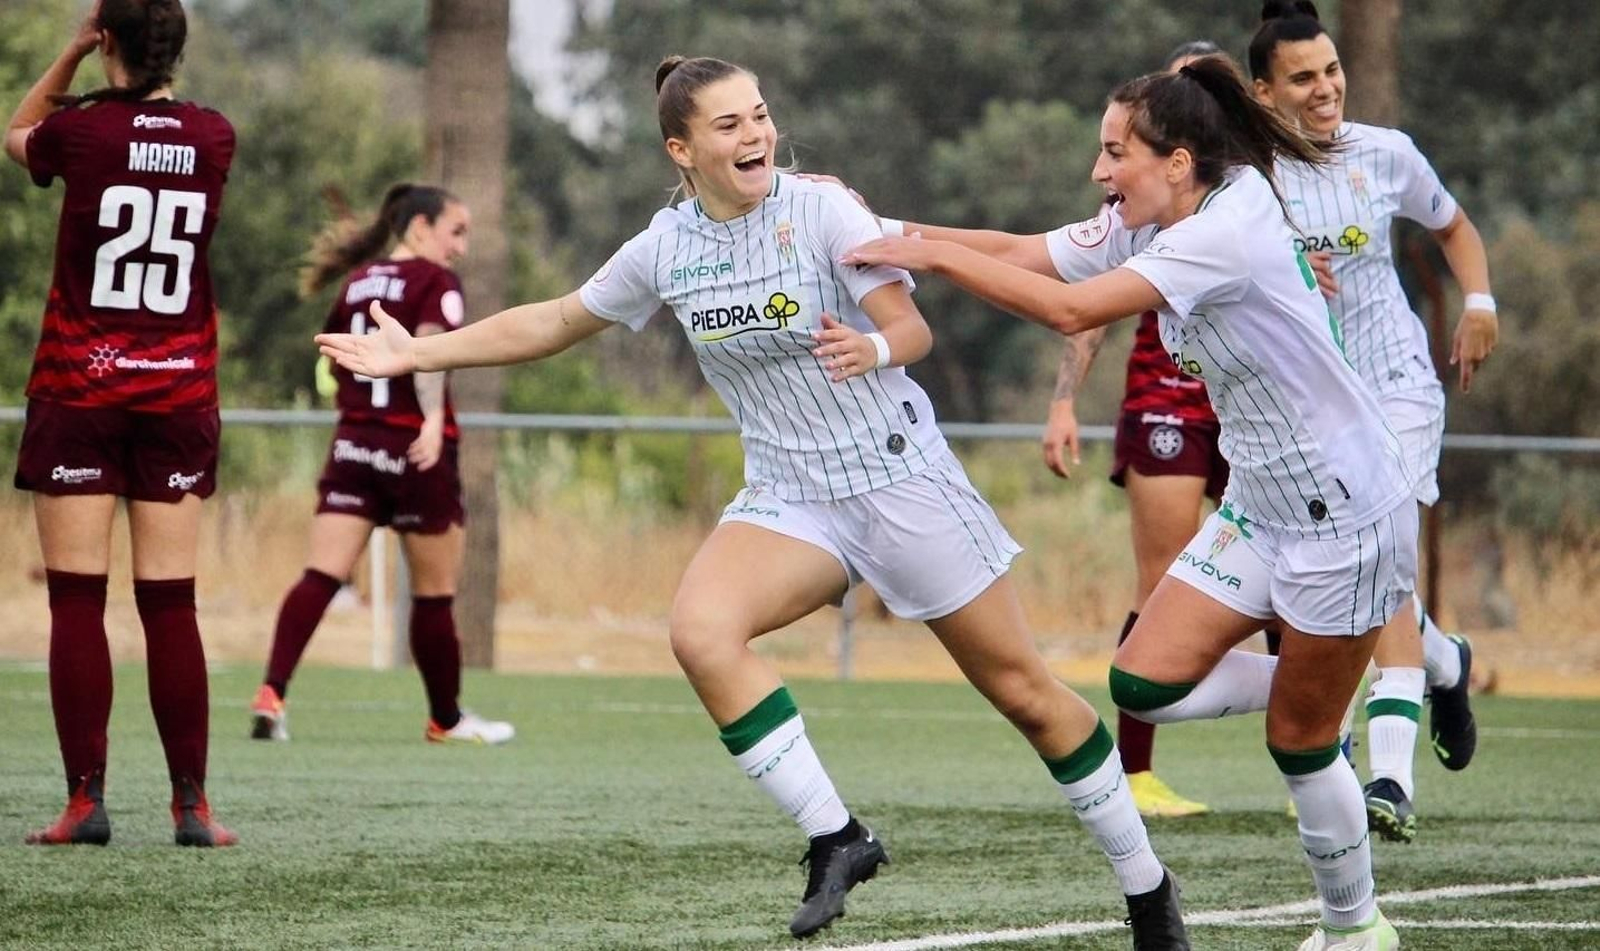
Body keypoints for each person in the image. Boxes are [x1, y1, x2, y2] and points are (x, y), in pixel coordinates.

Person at [319, 56, 1189, 949]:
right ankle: (839, 836)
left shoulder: (821, 210)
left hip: (898, 479)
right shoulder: (665, 246)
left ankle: (1146, 887)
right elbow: (553, 320)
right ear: (681, 148)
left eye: (761, 116)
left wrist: (874, 351)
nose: (757, 135)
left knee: (1027, 694)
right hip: (788, 495)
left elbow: (912, 329)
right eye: (729, 124)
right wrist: (418, 357)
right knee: (701, 631)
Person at [845, 54, 1412, 950]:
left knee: (1299, 746)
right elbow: (1031, 254)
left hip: (1347, 512)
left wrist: (935, 256)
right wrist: (878, 226)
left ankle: (1356, 927)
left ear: (1178, 160)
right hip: (1263, 505)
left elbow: (1069, 311)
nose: (1100, 174)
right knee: (1143, 683)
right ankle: (1319, 685)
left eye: (1116, 154)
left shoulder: (1225, 227)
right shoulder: (1150, 221)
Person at [1250, 0, 1491, 843]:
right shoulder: (1249, 181)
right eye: (1304, 77)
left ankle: (1389, 778)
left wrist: (1481, 301)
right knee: (1338, 584)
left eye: (1332, 70)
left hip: (1397, 394)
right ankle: (1442, 661)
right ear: (1265, 92)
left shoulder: (1385, 154)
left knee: (1380, 565)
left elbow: (1454, 226)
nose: (1326, 89)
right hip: (1310, 414)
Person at [5, 0, 236, 847]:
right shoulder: (215, 137)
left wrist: (69, 53)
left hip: (80, 390)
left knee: (76, 600)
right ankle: (193, 809)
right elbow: (163, 130)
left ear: (107, 42)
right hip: (177, 394)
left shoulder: (85, 134)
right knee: (171, 605)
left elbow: (15, 132)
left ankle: (84, 803)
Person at [249, 184, 514, 747]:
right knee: (435, 593)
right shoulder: (435, 282)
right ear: (419, 228)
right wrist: (429, 420)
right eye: (456, 232)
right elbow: (428, 351)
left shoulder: (358, 282)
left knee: (320, 576)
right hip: (414, 450)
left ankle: (271, 694)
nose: (461, 247)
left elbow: (333, 362)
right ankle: (445, 719)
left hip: (353, 446)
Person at [1041, 39, 1228, 820]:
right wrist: (1062, 401)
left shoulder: (1251, 199)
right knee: (1163, 584)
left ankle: (1315, 759)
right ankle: (1136, 769)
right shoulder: (1136, 204)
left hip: (1247, 409)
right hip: (1167, 401)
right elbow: (1082, 306)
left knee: (1296, 591)